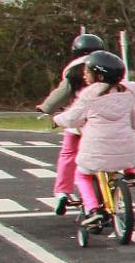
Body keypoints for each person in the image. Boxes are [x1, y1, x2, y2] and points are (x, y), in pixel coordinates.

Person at [52, 52, 135, 232]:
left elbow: (72, 119)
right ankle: (128, 176)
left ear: (99, 76)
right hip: (127, 153)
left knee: (82, 175)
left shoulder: (89, 95)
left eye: (87, 71)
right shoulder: (127, 93)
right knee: (115, 163)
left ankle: (94, 209)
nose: (84, 75)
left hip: (95, 152)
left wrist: (56, 119)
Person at [38, 44, 94, 215]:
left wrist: (46, 108)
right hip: (101, 123)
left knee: (68, 155)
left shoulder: (74, 69)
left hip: (77, 122)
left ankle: (63, 191)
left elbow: (62, 93)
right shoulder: (109, 66)